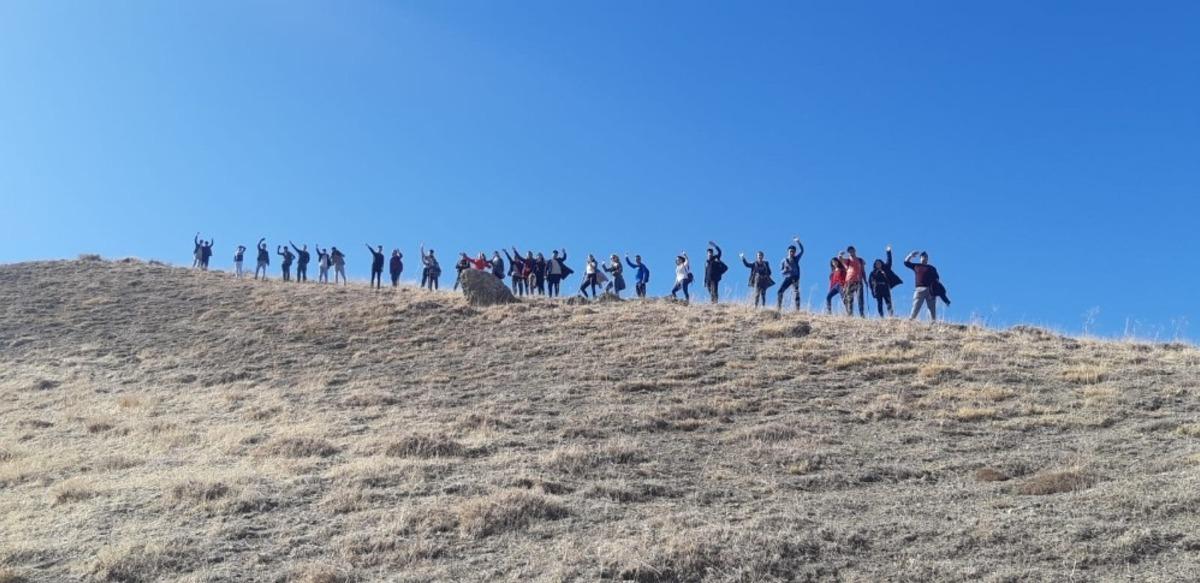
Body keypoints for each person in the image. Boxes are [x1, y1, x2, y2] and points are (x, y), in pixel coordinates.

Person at [904, 251, 942, 321]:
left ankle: (933, 323)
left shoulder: (932, 268)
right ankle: (911, 320)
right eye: (923, 257)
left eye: (926, 257)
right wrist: (910, 255)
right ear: (920, 258)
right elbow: (906, 263)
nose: (924, 258)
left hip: (930, 290)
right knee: (916, 305)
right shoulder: (916, 266)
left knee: (932, 308)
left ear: (928, 259)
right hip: (919, 289)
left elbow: (937, 279)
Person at [868, 246, 903, 317]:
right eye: (876, 263)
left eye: (879, 263)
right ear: (875, 265)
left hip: (885, 288)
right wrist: (872, 292)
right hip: (877, 289)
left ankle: (891, 315)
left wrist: (888, 252)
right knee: (879, 303)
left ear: (881, 263)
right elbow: (870, 283)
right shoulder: (872, 273)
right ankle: (881, 316)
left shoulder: (885, 269)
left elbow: (889, 261)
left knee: (888, 302)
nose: (878, 264)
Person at [777, 237, 805, 310]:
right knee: (780, 291)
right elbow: (781, 272)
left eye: (793, 251)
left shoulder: (796, 259)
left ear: (795, 252)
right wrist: (785, 270)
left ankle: (797, 309)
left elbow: (802, 251)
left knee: (796, 292)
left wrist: (798, 242)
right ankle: (779, 308)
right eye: (790, 251)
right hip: (788, 278)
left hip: (795, 277)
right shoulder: (783, 261)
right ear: (788, 251)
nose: (792, 252)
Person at [839, 246, 867, 318]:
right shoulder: (848, 260)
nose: (851, 252)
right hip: (849, 281)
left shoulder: (860, 260)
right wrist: (840, 254)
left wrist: (865, 281)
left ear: (855, 250)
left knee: (860, 298)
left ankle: (862, 314)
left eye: (852, 250)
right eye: (849, 251)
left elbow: (863, 271)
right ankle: (850, 314)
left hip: (859, 281)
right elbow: (840, 259)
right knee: (849, 298)